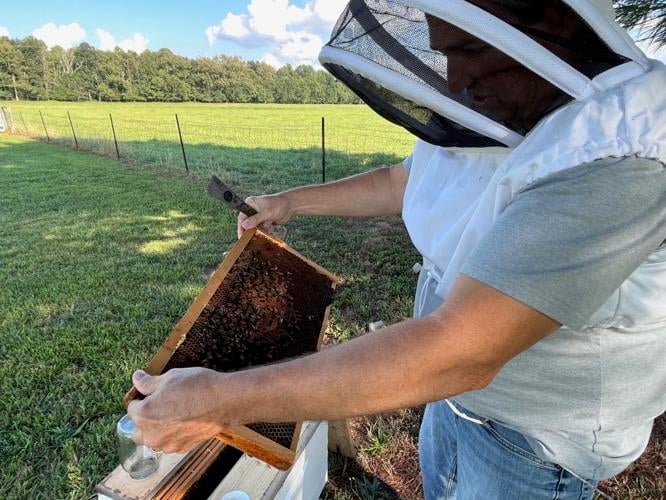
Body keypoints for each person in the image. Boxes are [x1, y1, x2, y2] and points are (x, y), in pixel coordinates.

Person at [128, 1, 665, 498]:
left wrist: (222, 400)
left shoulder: (619, 154)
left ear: (555, 22)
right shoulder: (497, 110)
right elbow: (401, 180)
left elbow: (463, 349)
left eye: (470, 50)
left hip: (538, 441)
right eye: (446, 52)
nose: (455, 79)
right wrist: (291, 202)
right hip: (450, 400)